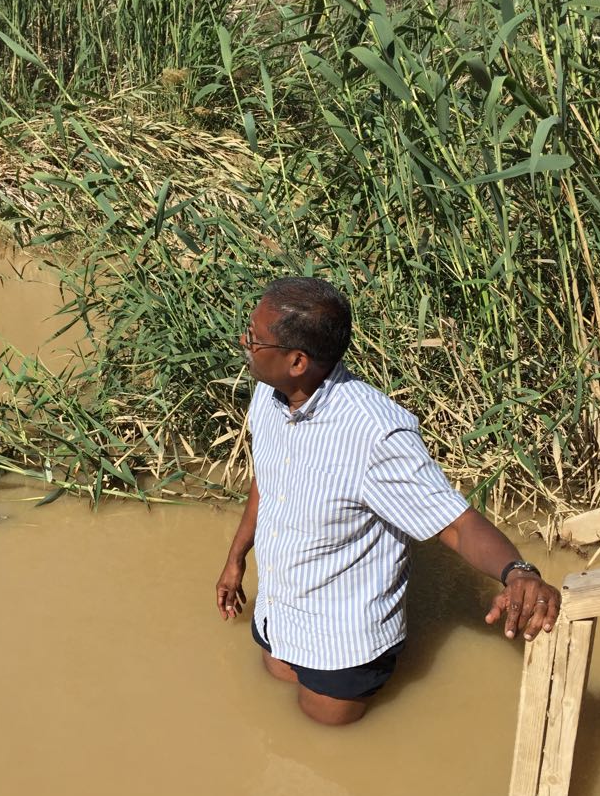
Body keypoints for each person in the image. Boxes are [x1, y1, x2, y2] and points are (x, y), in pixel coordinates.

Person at [215, 277, 561, 726]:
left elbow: (455, 524)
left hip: (342, 643)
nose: (244, 343)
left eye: (254, 338)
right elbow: (268, 477)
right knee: (275, 713)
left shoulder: (376, 434)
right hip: (278, 614)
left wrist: (518, 572)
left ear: (297, 361)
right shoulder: (269, 394)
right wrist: (236, 558)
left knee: (325, 736)